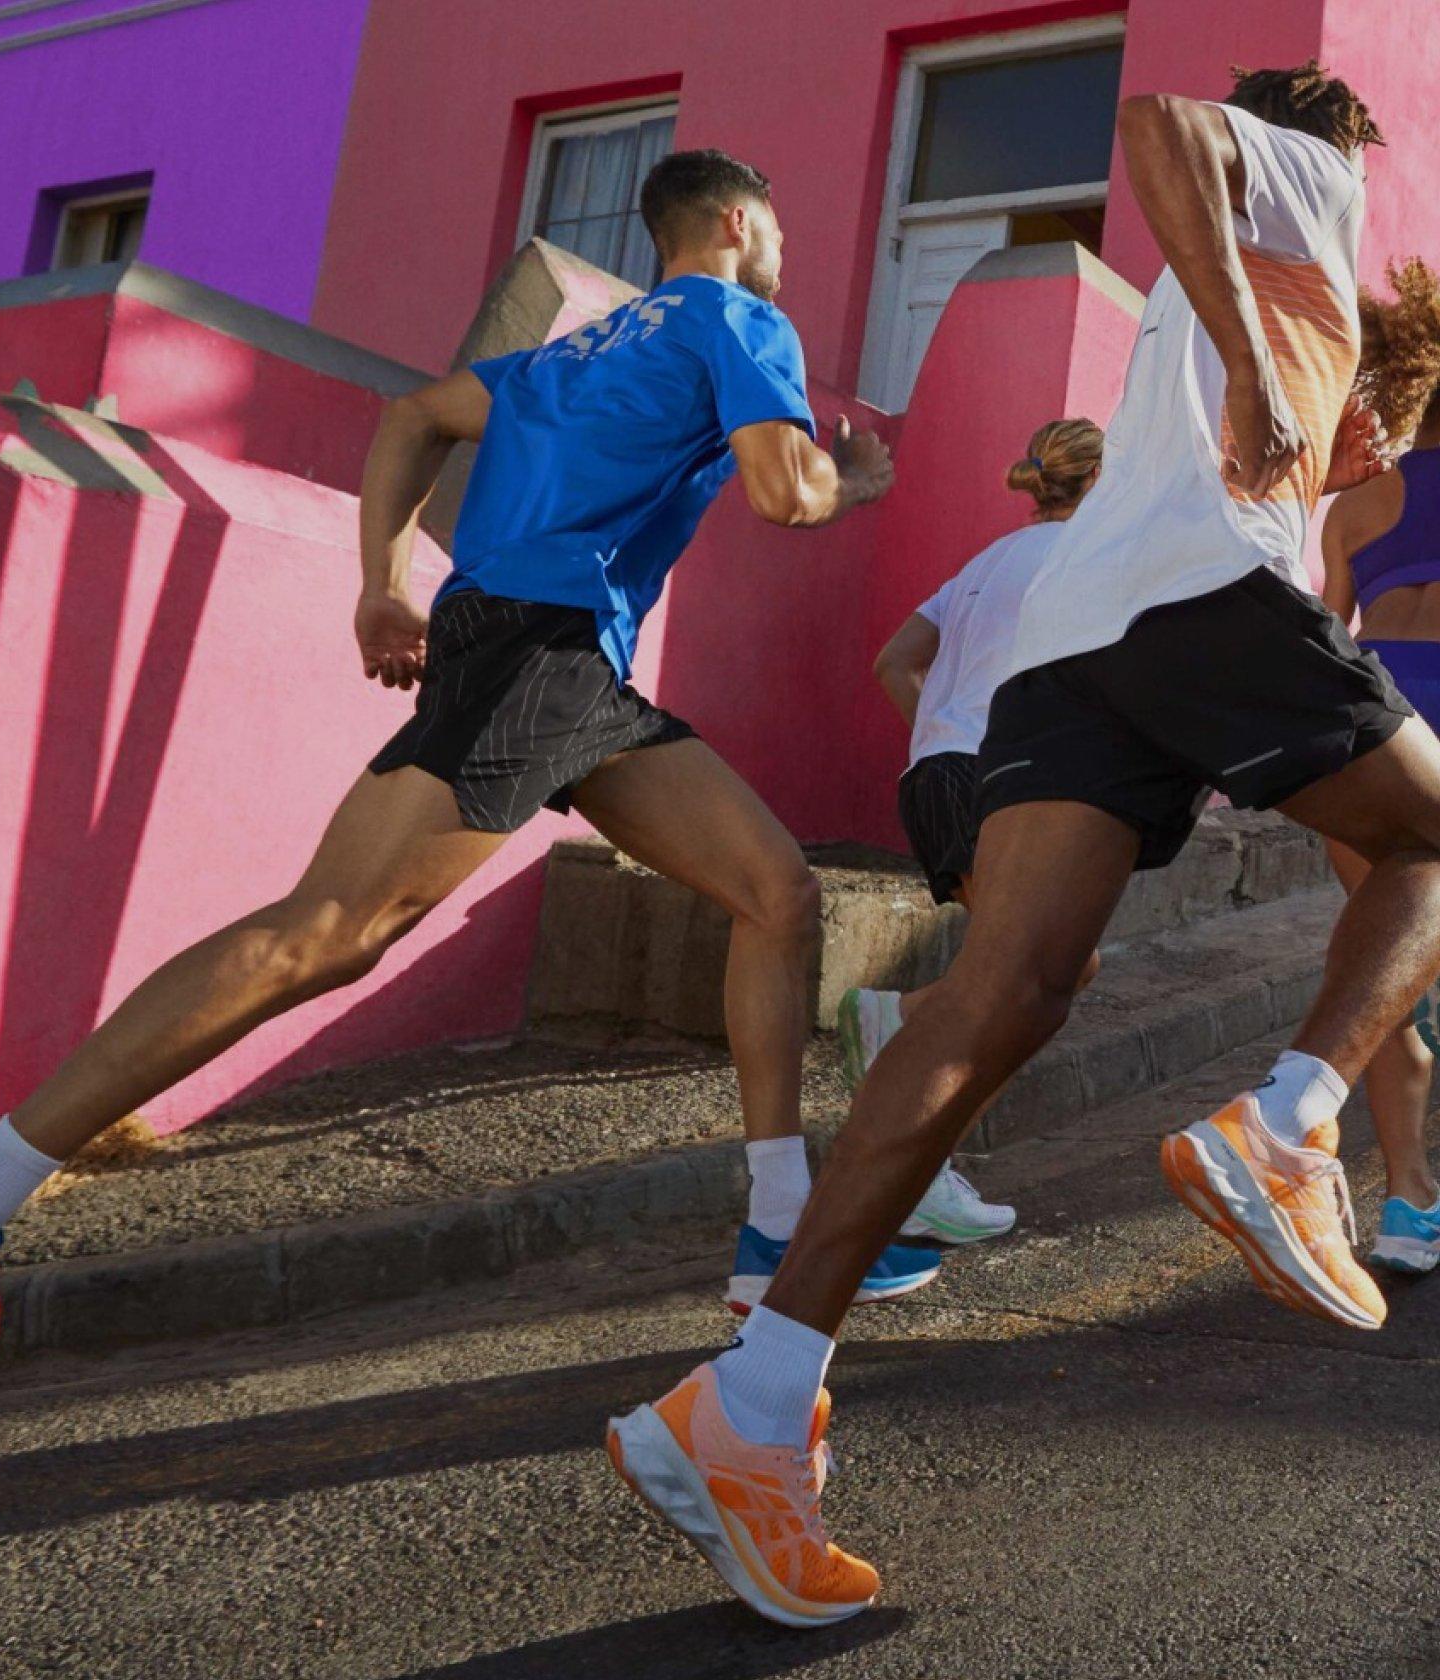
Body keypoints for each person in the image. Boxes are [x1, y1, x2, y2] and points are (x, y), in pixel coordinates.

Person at [0, 148, 914, 1449]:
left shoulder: (576, 355)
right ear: (734, 223)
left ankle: (780, 1221)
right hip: (542, 650)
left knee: (775, 891)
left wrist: (380, 583)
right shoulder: (739, 321)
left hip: (560, 661)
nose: (780, 251)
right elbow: (785, 492)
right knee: (325, 934)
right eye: (773, 228)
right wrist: (852, 485)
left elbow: (414, 416)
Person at [609, 62, 1410, 1628]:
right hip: (1194, 599)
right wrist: (1267, 356)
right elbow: (1162, 122)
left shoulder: (1215, 283)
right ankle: (1292, 1126)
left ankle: (758, 1399)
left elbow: (1237, 411)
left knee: (1004, 994)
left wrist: (1317, 424)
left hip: (1075, 643)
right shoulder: (1311, 173)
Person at [837, 418, 1106, 1247]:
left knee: (1048, 971)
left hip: (935, 776)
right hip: (992, 783)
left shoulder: (987, 562)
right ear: (1102, 487)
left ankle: (923, 1149)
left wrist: (939, 739)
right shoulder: (1088, 562)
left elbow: (894, 662)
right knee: (1024, 983)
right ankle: (913, 1124)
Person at [1320, 256, 1440, 1272]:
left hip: (1375, 730)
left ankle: (1409, 1207)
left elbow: (1321, 638)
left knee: (1384, 974)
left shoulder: (1359, 506)